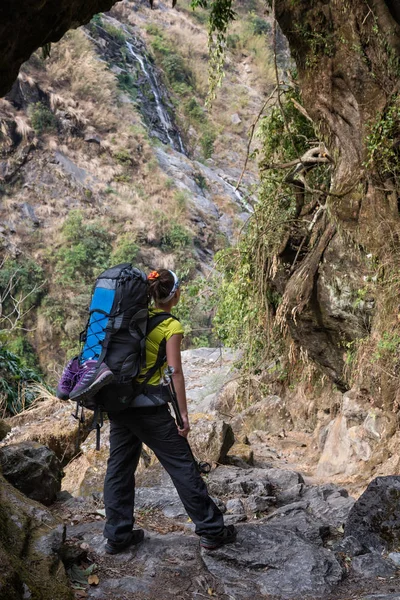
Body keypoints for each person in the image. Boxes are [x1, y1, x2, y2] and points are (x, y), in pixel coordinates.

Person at [102, 268, 237, 554]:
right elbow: (175, 373)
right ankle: (212, 530)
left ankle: (117, 535)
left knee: (119, 468)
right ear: (174, 294)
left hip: (119, 404)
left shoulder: (131, 318)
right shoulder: (170, 326)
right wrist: (183, 416)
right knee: (182, 466)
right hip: (150, 410)